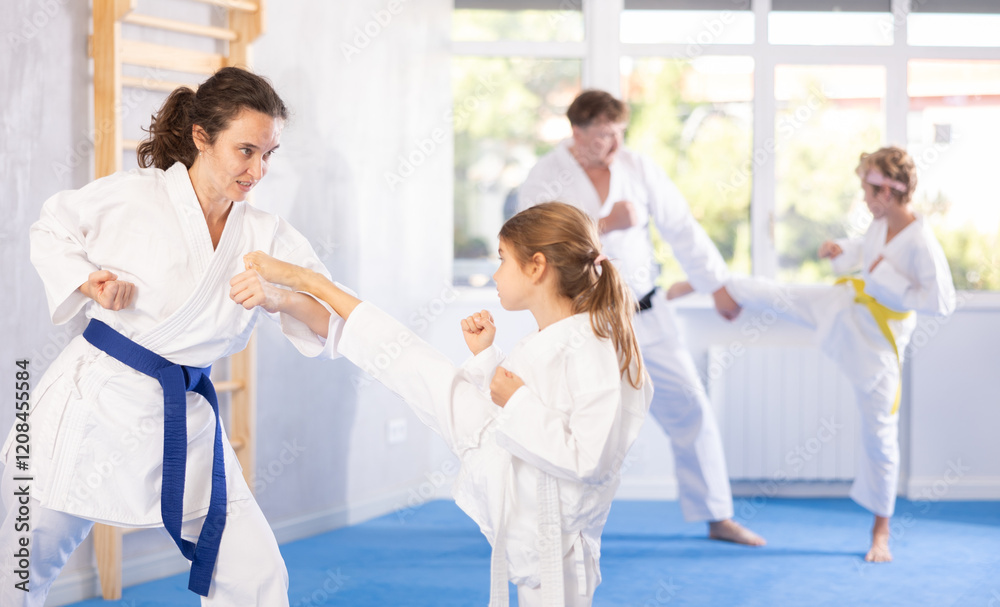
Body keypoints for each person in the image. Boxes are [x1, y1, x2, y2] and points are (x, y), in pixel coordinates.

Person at [0, 67, 345, 606]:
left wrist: (279, 296)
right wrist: (88, 283)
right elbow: (52, 228)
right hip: (93, 402)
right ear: (201, 137)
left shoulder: (266, 234)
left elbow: (329, 318)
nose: (258, 170)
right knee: (22, 562)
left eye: (268, 155)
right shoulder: (132, 197)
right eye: (246, 150)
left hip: (182, 417)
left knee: (255, 575)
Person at [243, 202, 654, 606]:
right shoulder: (556, 337)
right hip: (527, 501)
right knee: (413, 363)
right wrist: (487, 359)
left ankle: (311, 287)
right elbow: (530, 401)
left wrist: (517, 399)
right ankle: (303, 294)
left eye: (502, 260)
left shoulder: (593, 345)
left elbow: (590, 458)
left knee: (417, 366)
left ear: (536, 266)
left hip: (554, 532)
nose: (495, 274)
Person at [672, 146, 957, 562]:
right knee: (779, 295)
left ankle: (881, 532)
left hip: (879, 338)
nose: (863, 196)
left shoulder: (921, 240)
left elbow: (942, 302)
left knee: (880, 432)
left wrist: (886, 277)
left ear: (889, 190)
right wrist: (843, 250)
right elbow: (867, 251)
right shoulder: (880, 224)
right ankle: (711, 284)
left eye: (868, 188)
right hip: (847, 306)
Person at [517, 90, 764, 546]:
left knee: (690, 406)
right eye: (604, 135)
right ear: (577, 131)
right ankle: (544, 521)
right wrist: (603, 224)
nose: (613, 144)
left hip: (647, 314)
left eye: (619, 133)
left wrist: (718, 287)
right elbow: (531, 244)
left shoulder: (637, 167)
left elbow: (681, 227)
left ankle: (717, 516)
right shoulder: (546, 175)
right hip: (582, 322)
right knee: (565, 418)